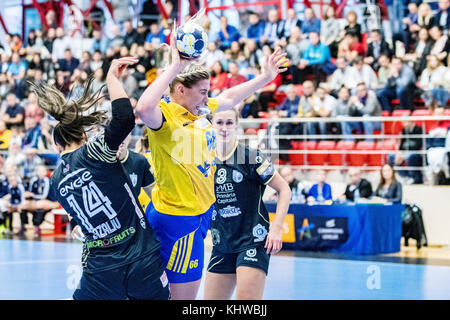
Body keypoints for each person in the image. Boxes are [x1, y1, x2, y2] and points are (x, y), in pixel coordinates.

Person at [135, 20, 288, 300]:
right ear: (180, 89)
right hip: (180, 220)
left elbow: (229, 96)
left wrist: (266, 78)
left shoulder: (200, 113)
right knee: (182, 299)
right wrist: (175, 67)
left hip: (198, 217)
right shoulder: (166, 118)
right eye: (203, 91)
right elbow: (143, 108)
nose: (208, 97)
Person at [30, 57, 170, 300]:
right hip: (141, 257)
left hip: (101, 267)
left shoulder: (57, 181)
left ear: (56, 144)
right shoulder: (93, 151)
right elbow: (125, 119)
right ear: (83, 136)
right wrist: (111, 79)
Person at [203, 108, 291, 300]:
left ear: (236, 125)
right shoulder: (204, 159)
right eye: (219, 123)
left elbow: (284, 190)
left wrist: (276, 229)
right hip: (222, 242)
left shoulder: (251, 156)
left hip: (252, 240)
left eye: (229, 123)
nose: (224, 128)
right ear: (211, 125)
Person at [389, 120, 424, 184]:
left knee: (410, 157)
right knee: (391, 156)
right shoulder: (404, 130)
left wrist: (403, 155)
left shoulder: (419, 129)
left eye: (406, 122)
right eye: (404, 123)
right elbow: (402, 144)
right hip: (404, 152)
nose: (405, 124)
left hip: (415, 152)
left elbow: (418, 145)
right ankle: (404, 176)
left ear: (412, 122)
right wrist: (399, 153)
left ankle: (413, 178)